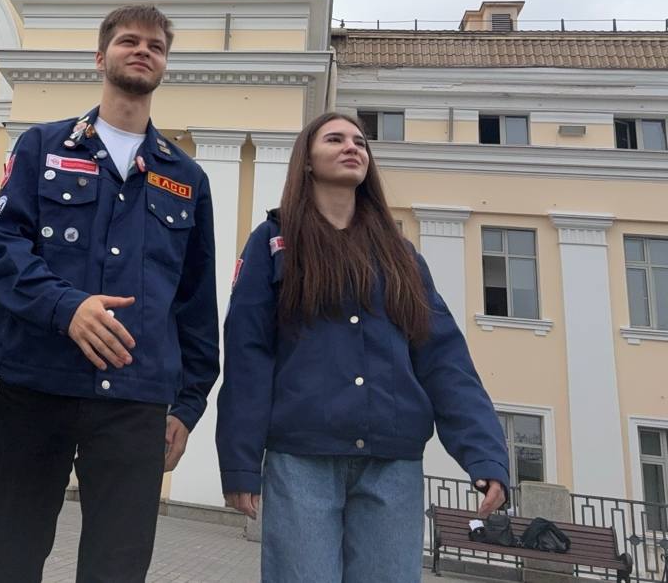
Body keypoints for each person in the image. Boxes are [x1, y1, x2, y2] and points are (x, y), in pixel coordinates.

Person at [0, 5, 219, 583]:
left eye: (155, 46)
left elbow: (195, 304)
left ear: (165, 65)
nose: (142, 51)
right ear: (101, 56)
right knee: (10, 554)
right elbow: (5, 251)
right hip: (38, 386)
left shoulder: (187, 179)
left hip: (137, 402)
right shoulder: (41, 147)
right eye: (129, 41)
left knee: (118, 565)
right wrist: (67, 307)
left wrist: (187, 406)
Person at [217, 112, 510, 582]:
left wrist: (484, 453)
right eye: (334, 139)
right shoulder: (272, 243)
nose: (352, 146)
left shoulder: (400, 255)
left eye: (359, 141)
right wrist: (240, 462)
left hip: (392, 465)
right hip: (302, 460)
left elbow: (443, 357)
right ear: (307, 160)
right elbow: (248, 354)